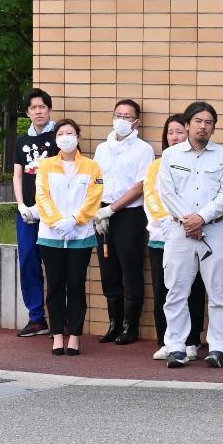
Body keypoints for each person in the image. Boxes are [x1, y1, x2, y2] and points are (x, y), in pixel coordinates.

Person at [155, 101, 223, 368]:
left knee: (218, 291)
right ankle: (177, 347)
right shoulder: (171, 155)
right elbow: (166, 192)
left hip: (214, 230)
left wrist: (201, 218)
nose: (203, 127)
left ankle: (217, 348)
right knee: (176, 291)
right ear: (188, 124)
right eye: (198, 122)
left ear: (214, 127)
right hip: (180, 231)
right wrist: (189, 220)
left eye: (208, 123)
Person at [34, 118, 104, 357]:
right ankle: (56, 334)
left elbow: (94, 197)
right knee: (54, 285)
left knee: (75, 284)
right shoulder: (45, 166)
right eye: (61, 133)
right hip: (51, 235)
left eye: (70, 133)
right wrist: (57, 222)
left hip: (80, 235)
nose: (66, 137)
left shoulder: (92, 166)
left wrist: (74, 219)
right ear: (56, 140)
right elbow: (42, 196)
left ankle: (74, 335)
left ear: (78, 138)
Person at [143, 113, 207, 360]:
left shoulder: (198, 162)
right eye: (170, 132)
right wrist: (168, 221)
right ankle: (166, 340)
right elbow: (151, 196)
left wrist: (186, 222)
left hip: (191, 234)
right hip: (162, 235)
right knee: (163, 290)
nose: (174, 137)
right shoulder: (156, 166)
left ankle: (191, 340)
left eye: (179, 131)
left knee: (193, 289)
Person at [93, 99, 154, 345]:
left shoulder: (143, 149)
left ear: (136, 122)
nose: (122, 120)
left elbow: (140, 186)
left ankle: (131, 326)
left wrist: (113, 209)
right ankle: (113, 323)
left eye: (127, 117)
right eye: (118, 115)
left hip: (129, 214)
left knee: (130, 270)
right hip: (102, 212)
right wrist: (99, 210)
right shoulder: (101, 148)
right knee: (108, 269)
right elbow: (96, 181)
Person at [10, 88, 56, 338]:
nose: (38, 111)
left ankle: (60, 318)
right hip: (26, 212)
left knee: (55, 264)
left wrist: (45, 208)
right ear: (27, 112)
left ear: (49, 109)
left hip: (52, 213)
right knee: (28, 261)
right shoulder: (21, 140)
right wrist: (20, 204)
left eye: (42, 107)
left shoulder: (60, 135)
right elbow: (18, 174)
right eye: (33, 107)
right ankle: (36, 318)